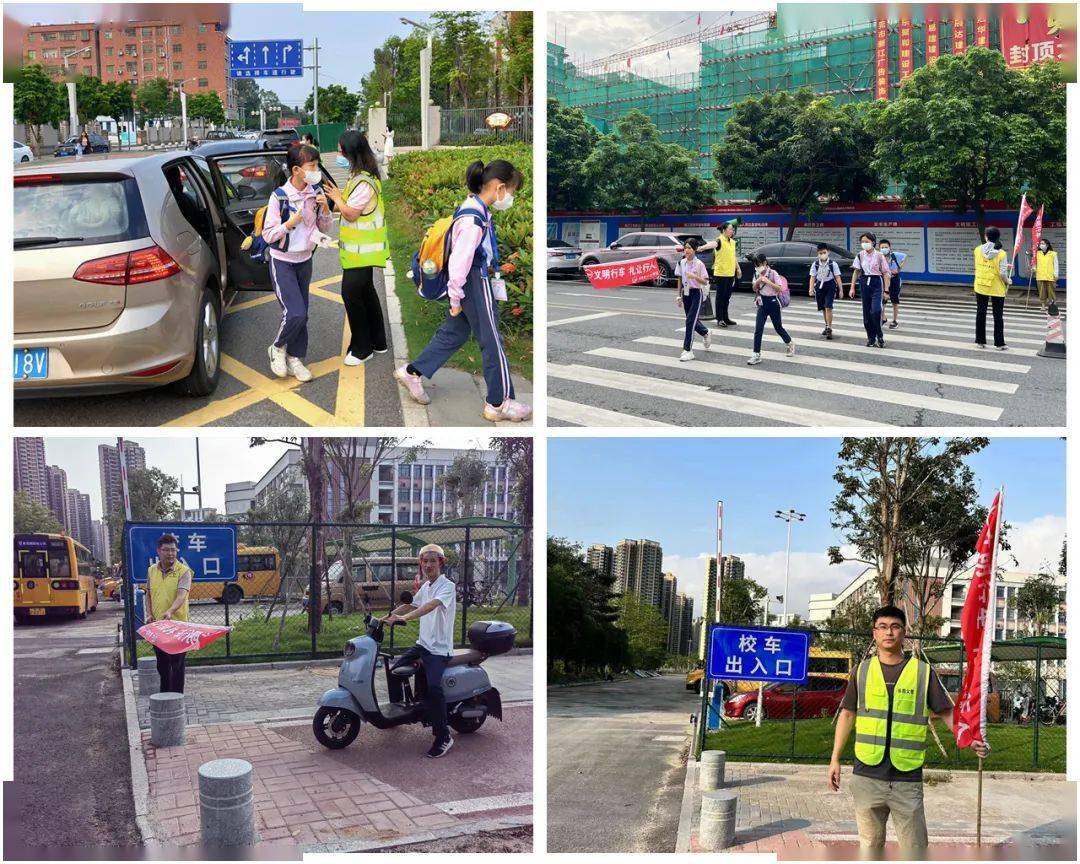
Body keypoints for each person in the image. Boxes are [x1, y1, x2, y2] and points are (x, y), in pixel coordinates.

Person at [828, 605, 989, 860]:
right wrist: (835, 758)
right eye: (882, 627)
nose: (888, 632)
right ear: (874, 633)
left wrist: (970, 740)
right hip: (867, 776)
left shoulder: (922, 672)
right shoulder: (862, 671)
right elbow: (847, 714)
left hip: (907, 779)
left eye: (895, 627)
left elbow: (946, 712)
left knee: (914, 850)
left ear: (904, 633)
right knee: (869, 848)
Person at [394, 159, 532, 422]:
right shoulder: (473, 219)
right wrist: (455, 297)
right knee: (491, 340)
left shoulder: (472, 207)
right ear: (500, 188)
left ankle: (412, 373)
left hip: (470, 280)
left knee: (455, 332)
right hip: (473, 281)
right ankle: (498, 403)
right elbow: (460, 261)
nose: (511, 197)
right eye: (512, 191)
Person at [261, 143, 334, 382]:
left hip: (305, 260)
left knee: (303, 314)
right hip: (282, 262)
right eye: (311, 166)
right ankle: (278, 347)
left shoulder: (314, 194)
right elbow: (268, 235)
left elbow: (322, 227)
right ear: (296, 170)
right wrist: (289, 223)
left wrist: (324, 210)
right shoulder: (279, 197)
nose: (316, 170)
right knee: (295, 313)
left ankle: (295, 358)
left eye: (316, 165)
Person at [384, 544, 457, 758]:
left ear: (440, 563)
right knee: (394, 671)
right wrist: (383, 619)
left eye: (433, 561)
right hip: (423, 644)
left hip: (438, 649)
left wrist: (404, 619)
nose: (428, 565)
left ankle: (443, 736)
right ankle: (400, 712)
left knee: (435, 689)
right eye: (425, 561)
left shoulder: (447, 586)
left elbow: (429, 606)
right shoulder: (426, 586)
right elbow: (410, 605)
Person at [324, 130, 389, 365]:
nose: (339, 153)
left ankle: (363, 348)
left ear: (350, 152)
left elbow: (350, 213)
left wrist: (337, 197)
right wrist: (335, 199)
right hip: (359, 253)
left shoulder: (364, 182)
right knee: (366, 293)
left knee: (351, 294)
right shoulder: (359, 176)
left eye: (341, 150)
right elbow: (347, 206)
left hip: (361, 253)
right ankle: (378, 341)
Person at [144, 534, 193, 694]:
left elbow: (182, 595)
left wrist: (171, 611)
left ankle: (177, 698)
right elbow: (149, 594)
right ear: (159, 551)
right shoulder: (152, 570)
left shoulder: (184, 571)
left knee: (177, 664)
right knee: (162, 664)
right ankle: (165, 697)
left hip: (178, 627)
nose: (170, 553)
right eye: (166, 550)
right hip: (158, 626)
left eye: (173, 550)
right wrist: (149, 614)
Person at [747, 252, 794, 365]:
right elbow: (754, 288)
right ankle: (756, 354)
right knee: (758, 329)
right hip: (762, 303)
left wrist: (768, 281)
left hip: (773, 302)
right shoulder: (756, 274)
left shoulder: (773, 273)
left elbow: (779, 288)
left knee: (778, 327)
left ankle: (790, 343)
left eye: (759, 265)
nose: (757, 267)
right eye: (755, 265)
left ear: (765, 263)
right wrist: (758, 281)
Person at [973, 226, 1011, 350]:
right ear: (998, 238)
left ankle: (980, 341)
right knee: (998, 315)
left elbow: (983, 263)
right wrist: (1008, 281)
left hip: (980, 285)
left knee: (981, 312)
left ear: (986, 236)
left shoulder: (977, 250)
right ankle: (999, 343)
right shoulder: (1002, 254)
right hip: (996, 287)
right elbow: (1002, 273)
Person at [850, 232, 890, 348]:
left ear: (873, 242)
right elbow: (856, 271)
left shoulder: (879, 255)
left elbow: (886, 273)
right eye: (862, 241)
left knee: (876, 310)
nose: (864, 244)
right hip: (864, 283)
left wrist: (886, 291)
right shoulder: (860, 255)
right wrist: (852, 287)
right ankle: (871, 338)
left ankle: (880, 336)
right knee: (867, 314)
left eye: (867, 241)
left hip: (876, 282)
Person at [674, 239, 711, 361]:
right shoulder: (681, 263)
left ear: (695, 249)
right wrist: (679, 296)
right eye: (685, 247)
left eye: (690, 248)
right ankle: (705, 332)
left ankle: (688, 350)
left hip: (696, 293)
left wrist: (694, 276)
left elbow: (705, 281)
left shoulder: (699, 264)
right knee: (692, 320)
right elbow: (679, 279)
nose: (687, 250)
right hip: (686, 293)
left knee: (690, 321)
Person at [699, 220, 741, 327]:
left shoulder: (732, 242)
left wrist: (738, 268)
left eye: (733, 229)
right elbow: (713, 244)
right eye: (730, 229)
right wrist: (702, 247)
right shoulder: (720, 240)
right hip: (721, 274)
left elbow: (733, 256)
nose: (732, 231)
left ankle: (726, 318)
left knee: (727, 297)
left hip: (730, 273)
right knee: (720, 297)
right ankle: (720, 319)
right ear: (724, 230)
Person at [809, 243, 842, 339]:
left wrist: (841, 290)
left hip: (830, 285)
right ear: (817, 253)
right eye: (820, 253)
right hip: (819, 286)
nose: (822, 254)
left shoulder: (833, 264)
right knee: (823, 307)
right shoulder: (815, 264)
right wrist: (811, 288)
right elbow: (812, 277)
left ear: (828, 252)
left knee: (828, 306)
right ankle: (826, 325)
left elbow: (838, 277)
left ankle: (829, 328)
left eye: (824, 252)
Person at [879, 238, 906, 330]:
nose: (884, 248)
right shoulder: (878, 256)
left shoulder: (895, 255)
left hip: (895, 280)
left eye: (886, 247)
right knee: (883, 300)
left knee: (895, 301)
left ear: (890, 247)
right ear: (879, 248)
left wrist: (898, 269)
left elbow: (904, 257)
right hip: (883, 279)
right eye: (882, 247)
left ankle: (894, 321)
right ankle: (883, 318)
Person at [1035, 238, 1059, 310]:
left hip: (1050, 276)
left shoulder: (1053, 254)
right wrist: (1033, 268)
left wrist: (1056, 274)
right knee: (1042, 292)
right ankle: (1043, 306)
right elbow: (1035, 264)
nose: (1041, 245)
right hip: (1040, 276)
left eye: (1043, 244)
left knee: (1051, 292)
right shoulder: (1037, 253)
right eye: (1040, 244)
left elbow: (1056, 264)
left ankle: (1052, 305)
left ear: (1047, 245)